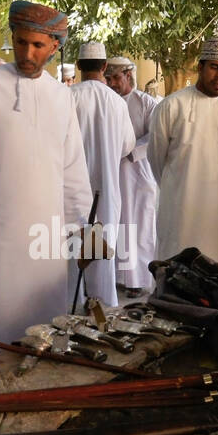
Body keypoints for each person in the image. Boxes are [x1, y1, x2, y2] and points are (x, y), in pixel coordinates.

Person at [0, 0, 93, 342]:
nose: (27, 53)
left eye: (37, 45)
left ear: (54, 47)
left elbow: (73, 168)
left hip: (49, 233)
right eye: (21, 42)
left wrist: (82, 232)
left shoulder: (62, 97)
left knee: (45, 325)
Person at [148, 36, 218, 266]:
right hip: (180, 211)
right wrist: (179, 186)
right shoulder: (171, 106)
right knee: (176, 275)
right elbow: (156, 159)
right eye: (214, 67)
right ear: (200, 67)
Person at [71, 41, 134, 306]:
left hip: (72, 189)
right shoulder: (117, 103)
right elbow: (127, 145)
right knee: (102, 247)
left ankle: (71, 304)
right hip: (106, 188)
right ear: (105, 67)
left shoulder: (67, 96)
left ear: (78, 66)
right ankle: (102, 306)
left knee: (69, 246)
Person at [105, 55, 161, 295]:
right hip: (112, 172)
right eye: (108, 78)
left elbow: (155, 135)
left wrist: (130, 151)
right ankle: (117, 277)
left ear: (128, 75)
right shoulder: (107, 101)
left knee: (139, 227)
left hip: (139, 173)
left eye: (116, 77)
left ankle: (137, 280)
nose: (112, 83)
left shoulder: (146, 102)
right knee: (116, 225)